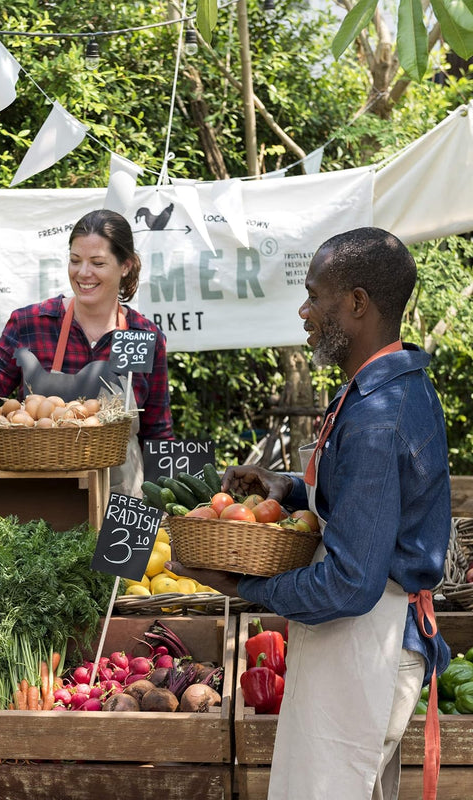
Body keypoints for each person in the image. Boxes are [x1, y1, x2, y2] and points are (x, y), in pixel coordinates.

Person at [168, 227, 451, 800]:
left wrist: (247, 584)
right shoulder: (389, 386)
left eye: (314, 294)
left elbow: (350, 583)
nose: (304, 310)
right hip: (363, 644)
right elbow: (363, 500)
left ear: (356, 303)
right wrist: (289, 489)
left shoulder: (377, 415)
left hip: (364, 648)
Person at [0, 208, 174, 495]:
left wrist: (166, 508)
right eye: (75, 261)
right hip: (42, 505)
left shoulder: (142, 336)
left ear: (126, 265)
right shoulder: (32, 324)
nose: (83, 273)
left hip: (121, 505)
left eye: (97, 262)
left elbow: (157, 434)